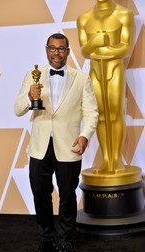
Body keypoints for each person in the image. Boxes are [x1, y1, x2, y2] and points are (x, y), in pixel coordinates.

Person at [14, 33, 98, 252]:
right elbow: (18, 109)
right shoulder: (34, 76)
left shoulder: (81, 78)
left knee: (68, 196)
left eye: (61, 49)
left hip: (69, 145)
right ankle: (47, 242)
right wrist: (30, 97)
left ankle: (67, 244)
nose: (57, 52)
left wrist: (85, 136)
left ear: (68, 52)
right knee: (40, 194)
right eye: (52, 48)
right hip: (40, 146)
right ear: (46, 50)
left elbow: (91, 112)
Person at [77, 0, 134, 174]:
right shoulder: (84, 18)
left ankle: (116, 160)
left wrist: (99, 50)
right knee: (100, 114)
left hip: (115, 69)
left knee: (115, 112)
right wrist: (96, 42)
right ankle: (106, 160)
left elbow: (126, 48)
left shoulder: (124, 14)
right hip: (95, 71)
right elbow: (85, 51)